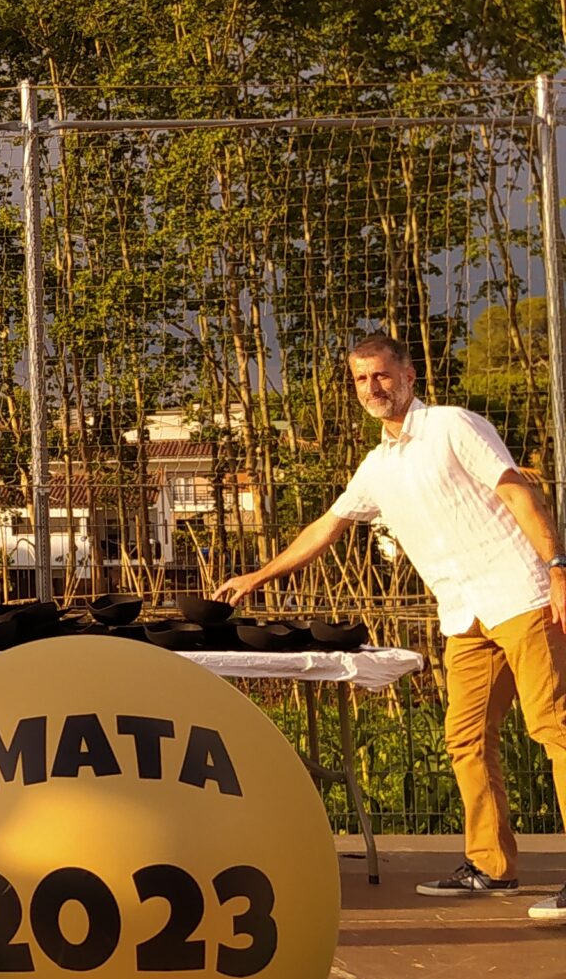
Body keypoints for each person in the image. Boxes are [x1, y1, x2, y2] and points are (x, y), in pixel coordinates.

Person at [216, 332, 566, 913]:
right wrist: (258, 576)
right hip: (465, 615)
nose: (372, 387)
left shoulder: (453, 425)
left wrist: (557, 569)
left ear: (408, 376)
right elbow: (327, 527)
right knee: (465, 739)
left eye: (381, 374)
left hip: (523, 597)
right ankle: (491, 866)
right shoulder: (377, 467)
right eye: (361, 379)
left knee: (554, 728)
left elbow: (516, 493)